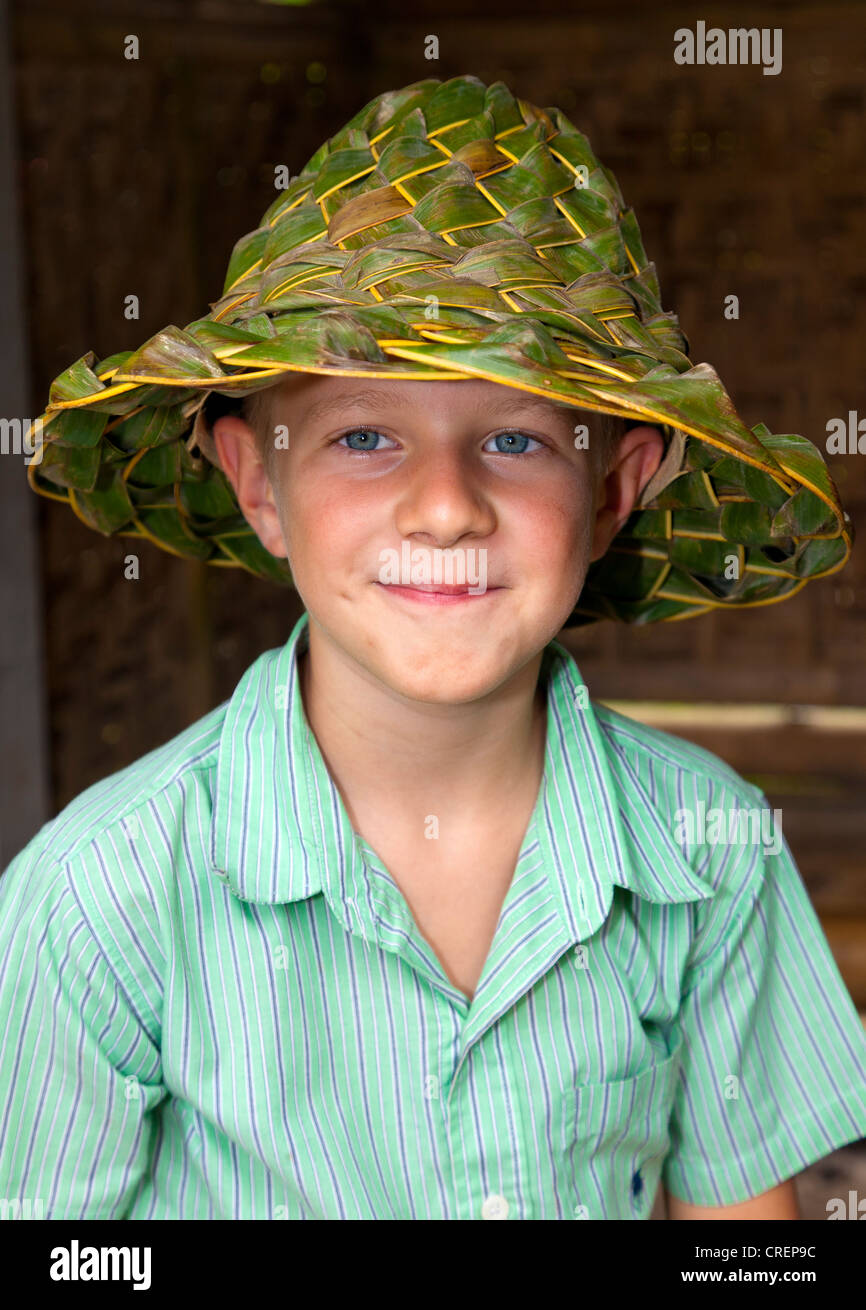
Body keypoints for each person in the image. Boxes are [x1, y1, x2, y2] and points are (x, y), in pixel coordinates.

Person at [3, 75, 864, 1220]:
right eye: (365, 436)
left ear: (613, 489)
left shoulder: (706, 853)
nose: (445, 507)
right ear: (258, 482)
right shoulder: (97, 899)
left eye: (513, 437)